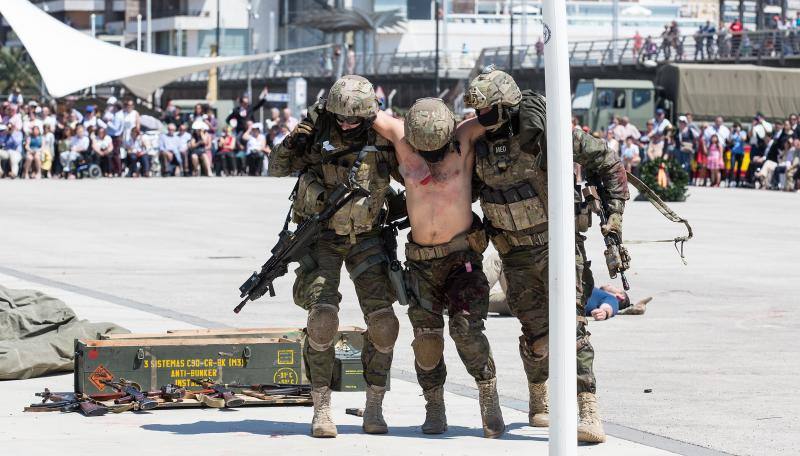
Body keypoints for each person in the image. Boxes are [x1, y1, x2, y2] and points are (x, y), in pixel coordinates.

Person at [463, 68, 629, 443]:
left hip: (557, 245)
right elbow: (465, 191)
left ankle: (588, 407)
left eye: (488, 111)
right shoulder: (482, 144)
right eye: (479, 113)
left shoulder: (546, 134)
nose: (482, 119)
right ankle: (539, 398)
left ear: (506, 106)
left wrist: (614, 218)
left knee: (571, 327)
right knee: (536, 333)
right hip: (514, 252)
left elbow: (607, 161)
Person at [269, 75, 401, 438]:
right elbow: (277, 166)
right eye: (339, 117)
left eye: (352, 119)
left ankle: (374, 405)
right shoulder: (316, 131)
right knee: (323, 319)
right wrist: (296, 137)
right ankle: (322, 407)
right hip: (323, 237)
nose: (345, 124)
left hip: (368, 236)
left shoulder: (382, 136)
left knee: (384, 324)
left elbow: (418, 176)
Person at [373, 98, 505, 439]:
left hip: (461, 260)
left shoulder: (462, 138)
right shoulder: (404, 140)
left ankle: (488, 395)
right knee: (427, 342)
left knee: (466, 331)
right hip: (420, 262)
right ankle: (435, 407)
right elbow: (367, 111)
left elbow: (498, 114)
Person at [728, 122, 747, 186]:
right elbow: (729, 140)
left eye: (737, 126)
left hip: (740, 153)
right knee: (732, 167)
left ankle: (737, 181)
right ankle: (730, 181)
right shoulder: (733, 133)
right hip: (733, 152)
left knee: (739, 167)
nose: (736, 128)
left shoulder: (743, 132)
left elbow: (744, 139)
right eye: (735, 127)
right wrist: (730, 132)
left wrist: (739, 133)